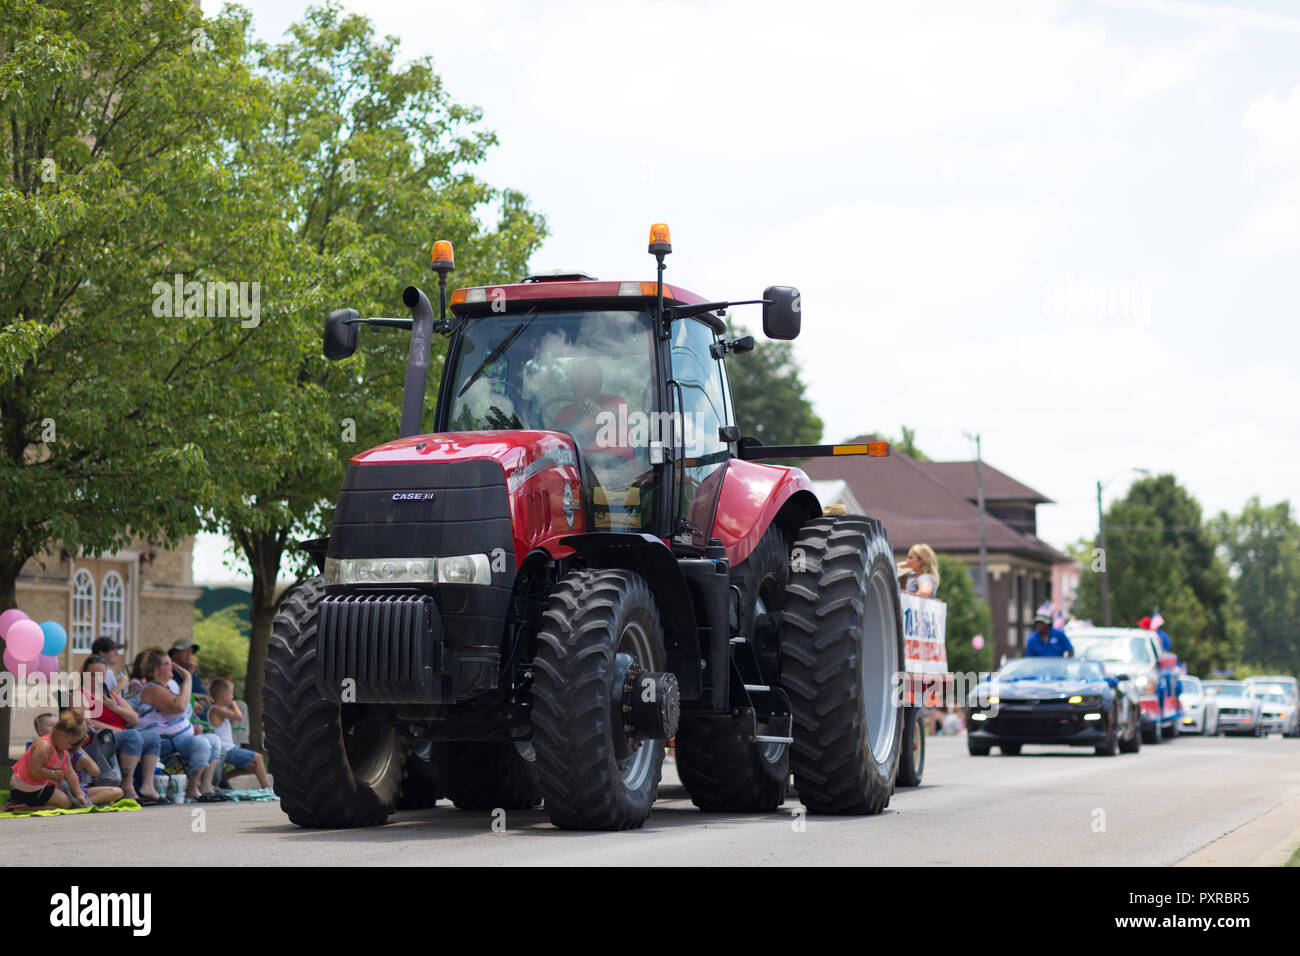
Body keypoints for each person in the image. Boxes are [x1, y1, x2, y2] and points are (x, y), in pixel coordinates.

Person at [136, 649, 224, 802]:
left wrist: (193, 727)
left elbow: (180, 713)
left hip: (179, 739)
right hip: (162, 742)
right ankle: (191, 788)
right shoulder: (153, 689)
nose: (172, 666)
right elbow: (180, 706)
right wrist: (187, 678)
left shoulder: (166, 687)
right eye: (168, 663)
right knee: (201, 744)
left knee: (215, 741)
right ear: (156, 668)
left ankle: (206, 787)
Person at [78, 655, 164, 804]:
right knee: (132, 736)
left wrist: (114, 708)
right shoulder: (80, 695)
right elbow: (85, 721)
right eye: (92, 675)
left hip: (120, 736)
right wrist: (114, 730)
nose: (97, 679)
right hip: (98, 740)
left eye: (101, 675)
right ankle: (127, 786)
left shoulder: (111, 695)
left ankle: (147, 786)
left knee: (153, 737)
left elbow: (134, 718)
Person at [8, 710, 91, 810]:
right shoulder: (44, 746)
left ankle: (31, 805)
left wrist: (79, 794)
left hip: (40, 786)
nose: (70, 747)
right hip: (24, 789)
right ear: (60, 735)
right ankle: (27, 808)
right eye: (70, 743)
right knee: (66, 804)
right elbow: (34, 770)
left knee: (70, 802)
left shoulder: (64, 752)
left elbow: (70, 773)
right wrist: (53, 774)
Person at [207, 679, 271, 789]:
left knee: (251, 767)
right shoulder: (216, 710)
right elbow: (239, 717)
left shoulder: (219, 709)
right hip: (225, 749)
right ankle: (268, 789)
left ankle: (224, 777)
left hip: (228, 748)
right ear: (223, 695)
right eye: (231, 693)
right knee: (258, 758)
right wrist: (234, 705)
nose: (232, 697)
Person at [168, 639, 212, 711]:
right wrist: (201, 696)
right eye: (186, 651)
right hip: (192, 706)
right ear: (175, 652)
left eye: (191, 652)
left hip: (204, 704)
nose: (189, 655)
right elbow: (178, 693)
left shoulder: (187, 666)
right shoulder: (170, 670)